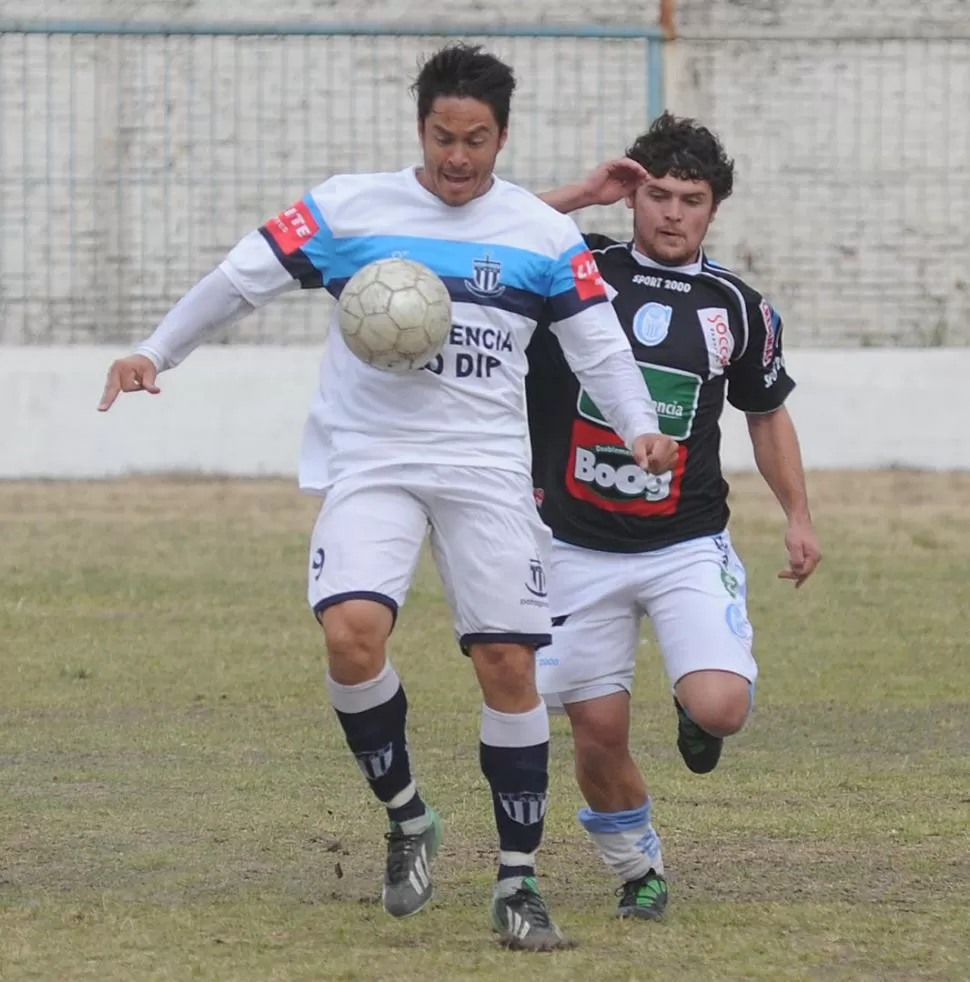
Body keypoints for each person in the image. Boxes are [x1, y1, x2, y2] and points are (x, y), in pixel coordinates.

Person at [97, 44, 678, 950]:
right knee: (350, 633)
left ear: (502, 138)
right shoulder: (349, 207)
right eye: (444, 137)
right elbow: (238, 280)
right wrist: (154, 351)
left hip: (486, 466)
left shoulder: (541, 232)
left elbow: (599, 345)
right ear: (420, 129)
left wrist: (639, 422)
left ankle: (517, 884)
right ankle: (408, 815)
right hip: (372, 456)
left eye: (476, 140)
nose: (458, 157)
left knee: (507, 667)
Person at [526, 112, 822, 922]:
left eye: (690, 199)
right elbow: (481, 231)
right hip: (573, 546)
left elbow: (767, 414)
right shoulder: (571, 266)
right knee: (597, 730)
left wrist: (797, 514)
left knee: (722, 704)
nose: (671, 213)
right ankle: (638, 868)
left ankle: (698, 715)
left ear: (713, 208)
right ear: (632, 195)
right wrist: (580, 194)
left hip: (684, 542)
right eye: (656, 194)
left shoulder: (739, 308)